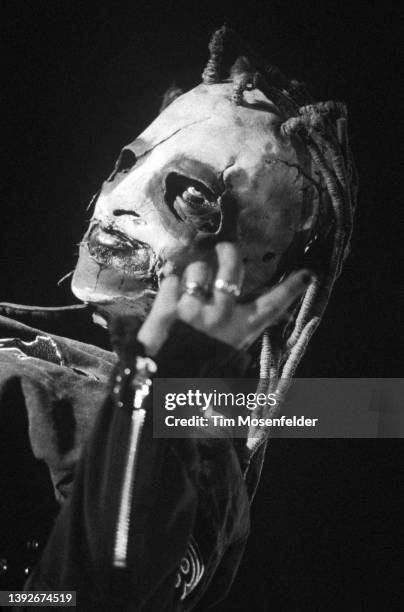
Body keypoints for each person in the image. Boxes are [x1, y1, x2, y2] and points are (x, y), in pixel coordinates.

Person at [0, 26, 356, 609]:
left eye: (191, 193)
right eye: (126, 165)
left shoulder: (191, 449)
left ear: (261, 277)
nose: (120, 200)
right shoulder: (34, 338)